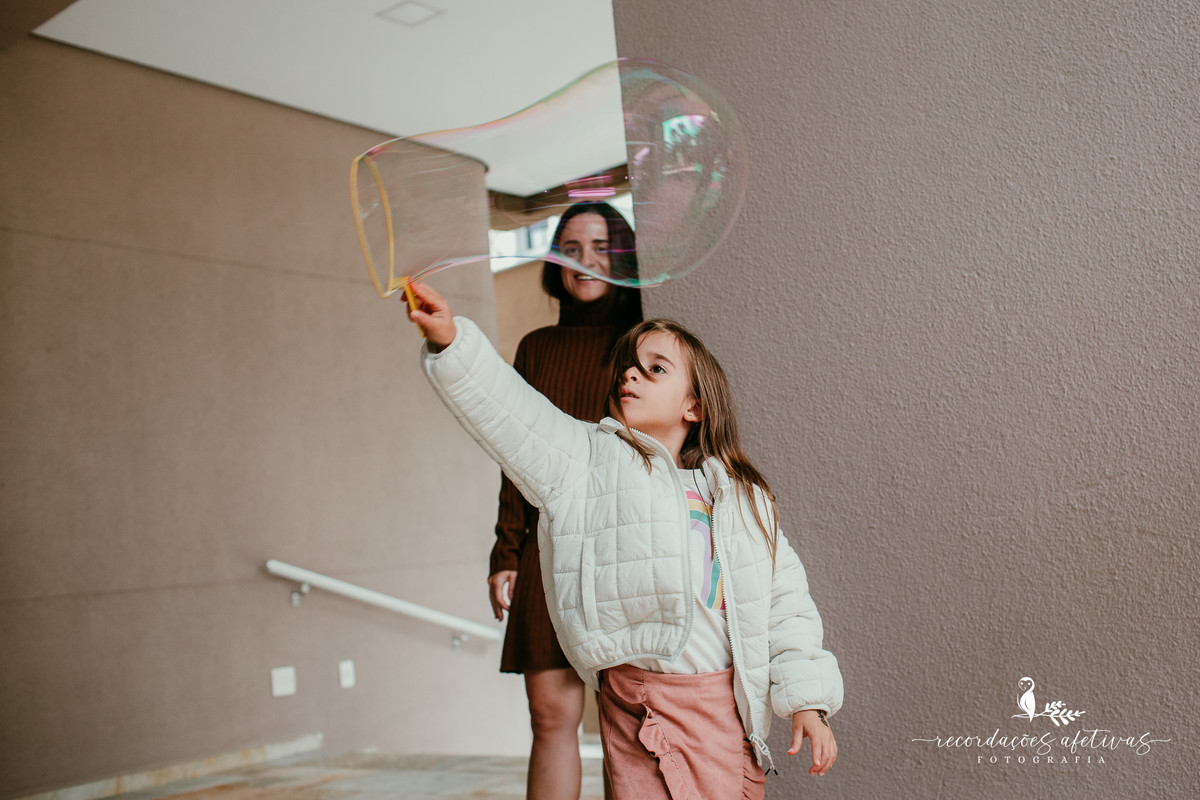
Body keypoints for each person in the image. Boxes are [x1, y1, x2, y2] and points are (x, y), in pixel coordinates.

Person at [410, 283, 844, 800]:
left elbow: (785, 608)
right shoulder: (584, 462)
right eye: (627, 367)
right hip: (638, 704)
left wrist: (807, 704)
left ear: (695, 407)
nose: (630, 374)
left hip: (722, 711)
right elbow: (513, 414)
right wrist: (452, 342)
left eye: (655, 368)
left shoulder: (742, 497)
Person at [489, 202, 642, 800]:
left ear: (625, 257)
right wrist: (506, 552)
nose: (585, 260)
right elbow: (515, 455)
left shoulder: (643, 341)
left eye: (601, 247)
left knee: (625, 728)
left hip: (621, 549)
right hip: (545, 551)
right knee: (549, 718)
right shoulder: (536, 348)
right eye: (571, 247)